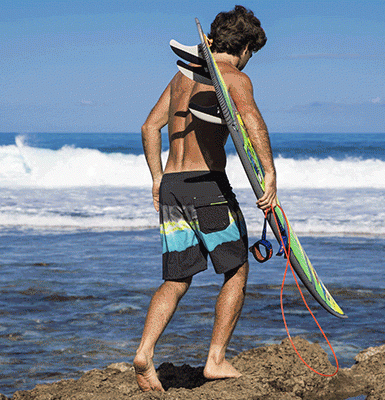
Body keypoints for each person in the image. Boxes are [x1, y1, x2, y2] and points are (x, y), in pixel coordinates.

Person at [135, 5, 277, 392]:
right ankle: (215, 359)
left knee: (177, 278)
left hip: (173, 186)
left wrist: (156, 178)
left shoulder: (182, 77)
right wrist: (270, 176)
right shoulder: (233, 78)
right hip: (207, 185)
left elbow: (150, 126)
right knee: (236, 268)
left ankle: (144, 352)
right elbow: (252, 123)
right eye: (252, 54)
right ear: (245, 47)